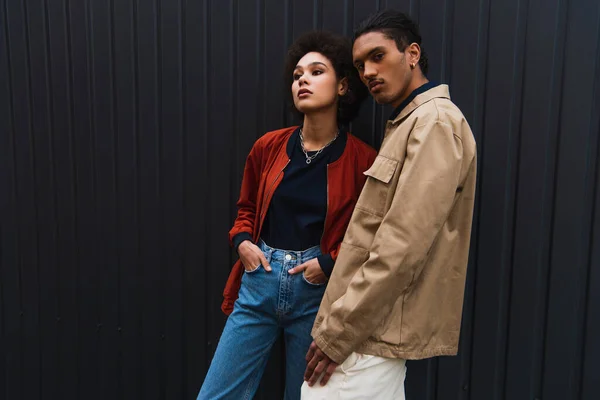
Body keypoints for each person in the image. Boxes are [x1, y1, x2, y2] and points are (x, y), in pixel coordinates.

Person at [301, 10, 478, 399]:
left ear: (412, 54)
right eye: (361, 64)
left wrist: (338, 333)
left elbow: (400, 247)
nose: (368, 72)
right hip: (367, 330)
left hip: (366, 336)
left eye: (378, 56)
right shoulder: (410, 122)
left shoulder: (433, 123)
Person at [197, 31, 376, 400]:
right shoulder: (269, 146)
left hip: (316, 293)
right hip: (259, 280)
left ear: (343, 86)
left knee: (306, 397)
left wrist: (328, 263)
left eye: (315, 71)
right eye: (297, 75)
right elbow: (245, 209)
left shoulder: (363, 161)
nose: (303, 80)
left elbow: (369, 233)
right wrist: (242, 242)